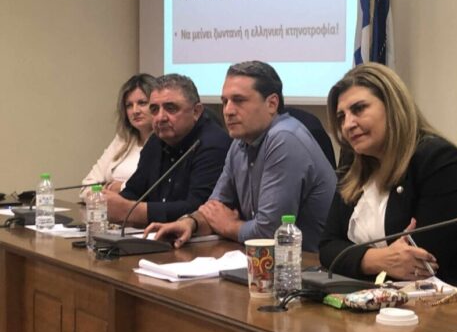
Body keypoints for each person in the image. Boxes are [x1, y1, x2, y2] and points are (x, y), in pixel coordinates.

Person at [319, 63, 457, 287]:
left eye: (359, 109)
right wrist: (381, 259)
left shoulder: (437, 160)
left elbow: (423, 263)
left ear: (392, 106)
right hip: (379, 293)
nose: (348, 124)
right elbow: (328, 248)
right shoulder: (353, 164)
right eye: (341, 117)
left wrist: (359, 260)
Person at [144, 61, 337, 252]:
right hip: (267, 260)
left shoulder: (284, 138)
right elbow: (215, 207)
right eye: (225, 102)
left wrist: (229, 226)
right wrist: (190, 222)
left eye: (239, 100)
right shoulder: (239, 143)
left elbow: (270, 233)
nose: (227, 111)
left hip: (308, 263)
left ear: (271, 104)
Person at [104, 74, 231, 226]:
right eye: (154, 110)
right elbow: (134, 191)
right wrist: (113, 203)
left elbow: (199, 209)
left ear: (196, 111)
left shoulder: (214, 144)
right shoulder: (156, 140)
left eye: (171, 108)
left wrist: (132, 211)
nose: (160, 118)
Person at [81, 73, 157, 199]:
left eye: (142, 103)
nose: (135, 111)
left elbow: (156, 192)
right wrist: (109, 195)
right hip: (108, 209)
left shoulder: (166, 143)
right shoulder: (123, 140)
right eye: (129, 105)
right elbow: (86, 187)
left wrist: (121, 187)